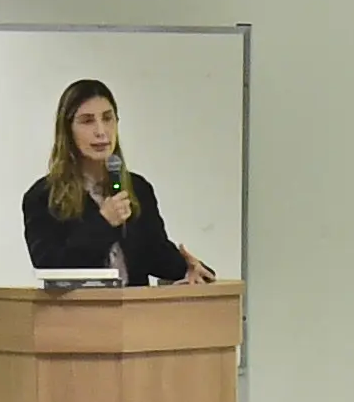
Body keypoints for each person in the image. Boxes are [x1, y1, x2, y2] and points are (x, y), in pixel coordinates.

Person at [18, 78, 217, 287]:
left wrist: (189, 267)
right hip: (76, 316)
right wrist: (104, 223)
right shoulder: (44, 196)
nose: (101, 131)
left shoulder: (137, 189)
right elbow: (51, 267)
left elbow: (156, 255)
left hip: (135, 315)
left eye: (107, 118)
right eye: (87, 121)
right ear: (67, 131)